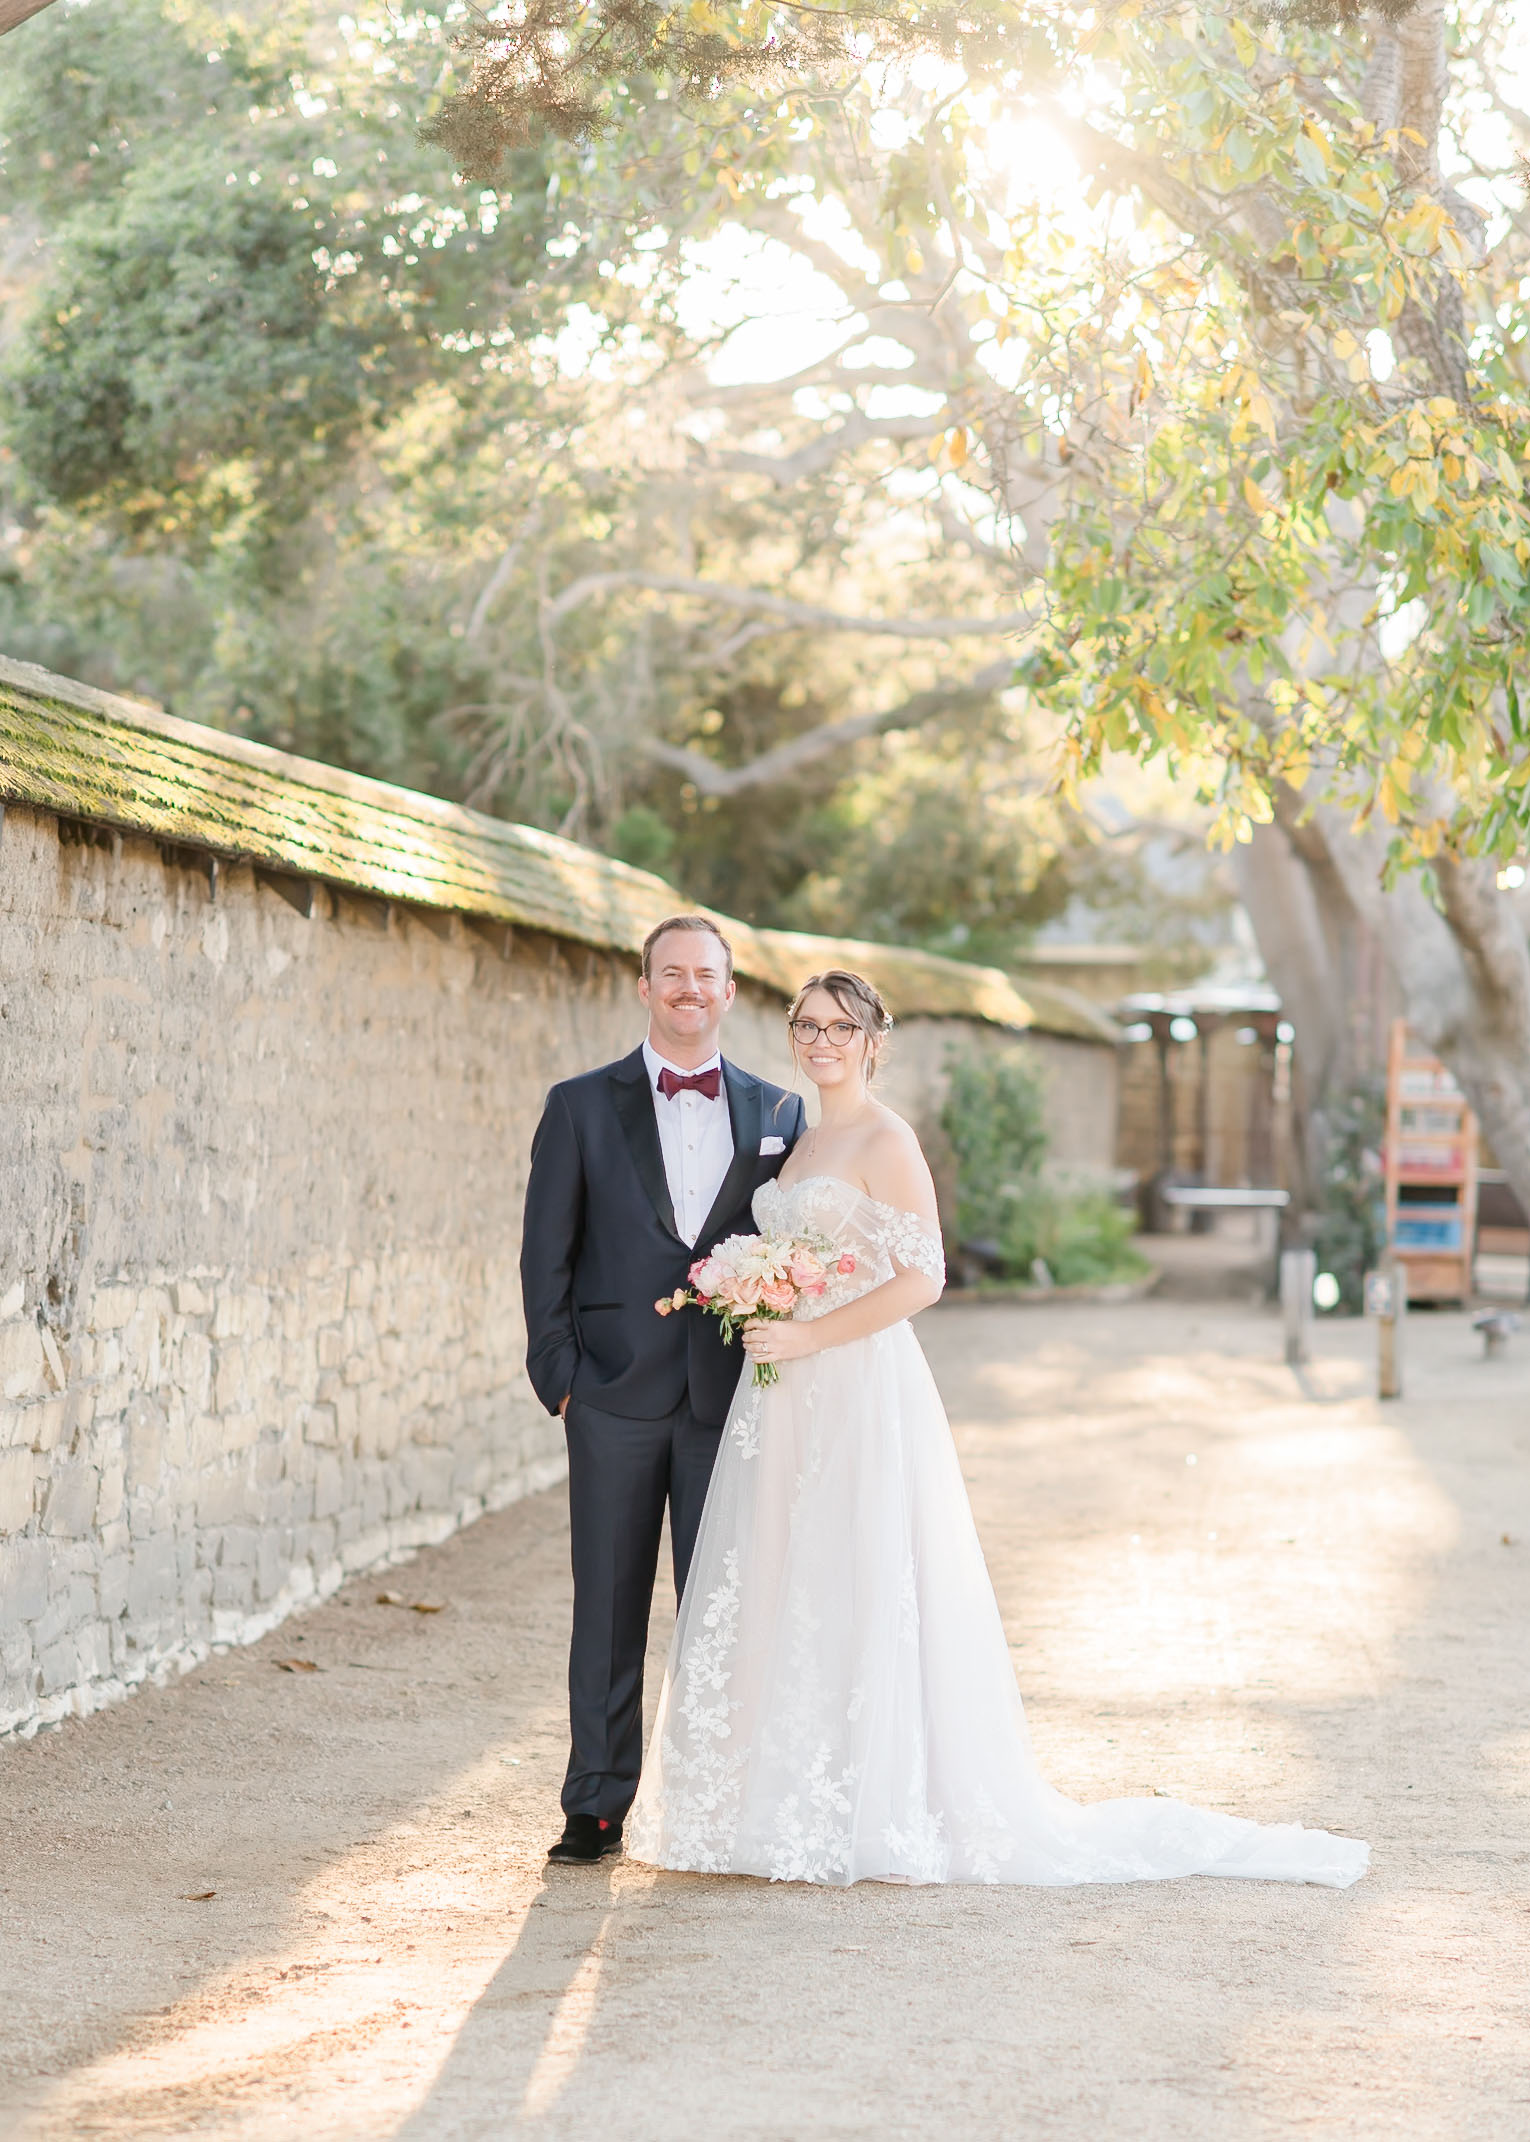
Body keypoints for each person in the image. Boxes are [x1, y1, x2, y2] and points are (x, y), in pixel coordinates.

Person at [627, 969, 1370, 1889]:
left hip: (854, 1378)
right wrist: (762, 1295)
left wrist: (812, 1327)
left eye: (840, 1027)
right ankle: (773, 1796)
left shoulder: (887, 1139)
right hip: (784, 1389)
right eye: (807, 1025)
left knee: (858, 1568)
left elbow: (923, 1276)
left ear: (872, 1040)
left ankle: (869, 1800)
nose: (820, 1040)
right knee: (785, 1569)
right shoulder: (803, 1135)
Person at [521, 914, 806, 1865]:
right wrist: (561, 1380)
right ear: (644, 988)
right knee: (605, 1605)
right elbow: (543, 1253)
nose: (689, 988)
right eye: (670, 973)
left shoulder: (778, 1114)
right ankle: (595, 1803)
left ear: (730, 993)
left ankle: (719, 1805)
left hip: (731, 1397)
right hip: (608, 1396)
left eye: (707, 975)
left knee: (722, 1607)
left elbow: (802, 1251)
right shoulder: (579, 1105)